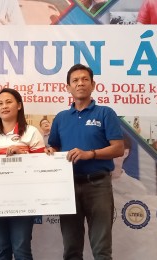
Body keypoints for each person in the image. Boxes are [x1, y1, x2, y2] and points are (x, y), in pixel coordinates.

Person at [45, 64, 124, 260]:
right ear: (68, 87)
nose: (80, 83)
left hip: (98, 185)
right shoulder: (61, 118)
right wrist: (50, 151)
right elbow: (54, 147)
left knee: (102, 250)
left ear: (93, 84)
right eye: (75, 80)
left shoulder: (105, 113)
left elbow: (118, 148)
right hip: (68, 186)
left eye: (84, 79)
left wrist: (91, 154)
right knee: (71, 250)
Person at [0, 88, 45, 260]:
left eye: (8, 102)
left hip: (24, 198)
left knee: (21, 249)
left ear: (19, 105)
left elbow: (43, 167)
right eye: (0, 103)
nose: (4, 106)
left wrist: (23, 154)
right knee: (1, 249)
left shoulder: (31, 132)